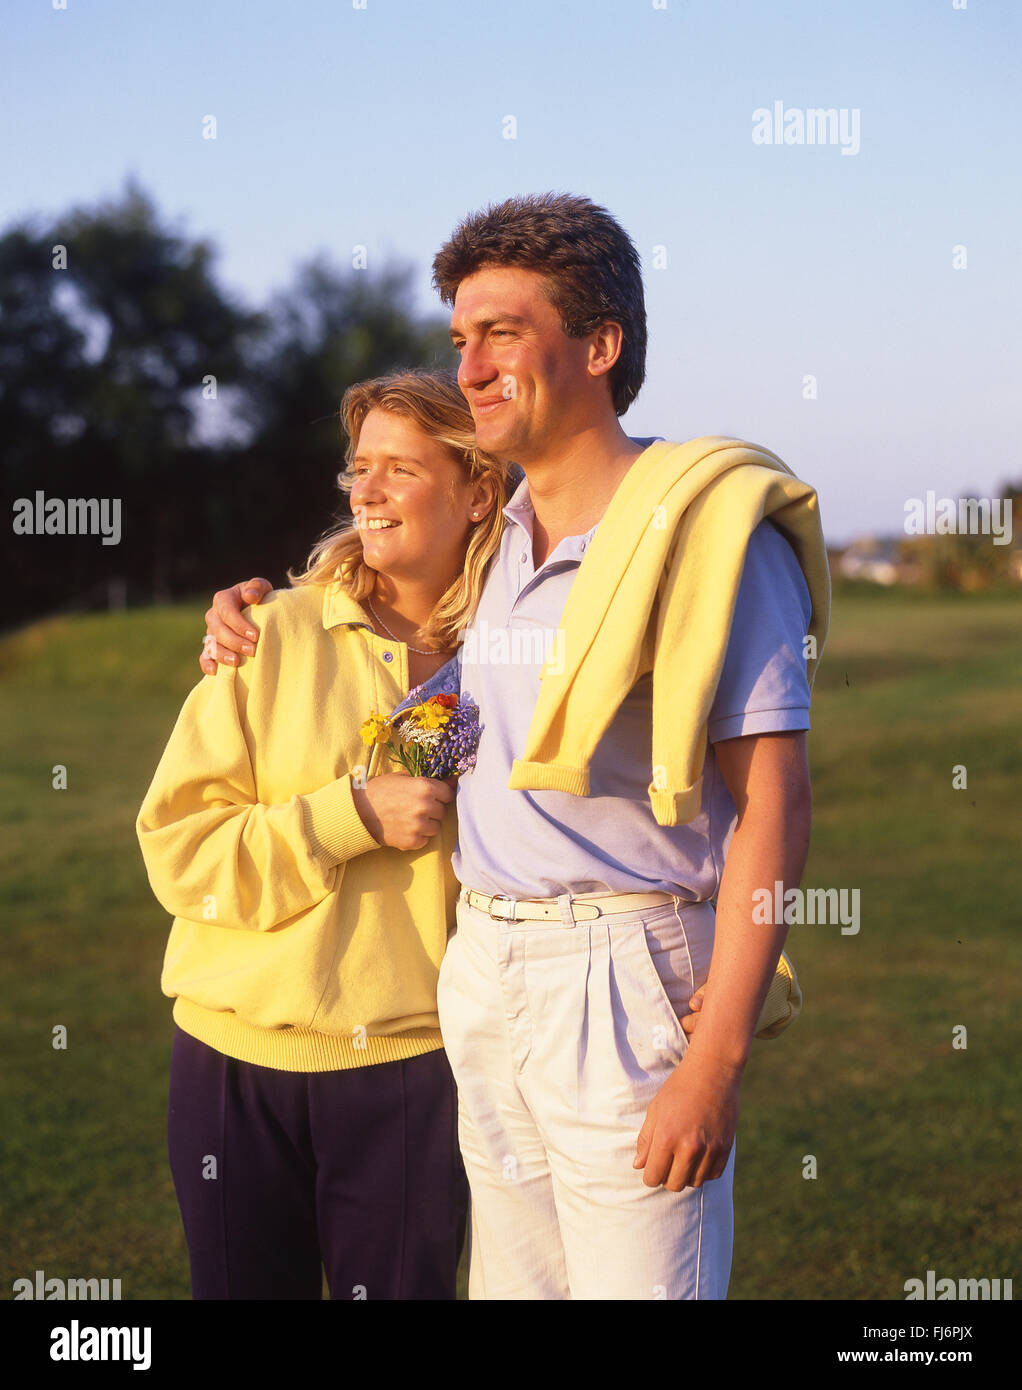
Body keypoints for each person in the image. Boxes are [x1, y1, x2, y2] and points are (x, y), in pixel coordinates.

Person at [204, 193, 831, 1300]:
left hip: (623, 974)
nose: (472, 366)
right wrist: (255, 604)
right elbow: (389, 574)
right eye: (460, 340)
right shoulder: (496, 545)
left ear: (599, 345)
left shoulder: (700, 536)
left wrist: (715, 1059)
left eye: (502, 332)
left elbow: (773, 804)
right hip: (484, 969)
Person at [136, 369, 511, 1300]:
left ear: (479, 491)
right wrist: (351, 816)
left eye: (401, 470)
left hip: (414, 1072)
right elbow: (179, 848)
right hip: (233, 1064)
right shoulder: (268, 635)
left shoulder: (517, 660)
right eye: (359, 468)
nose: (365, 492)